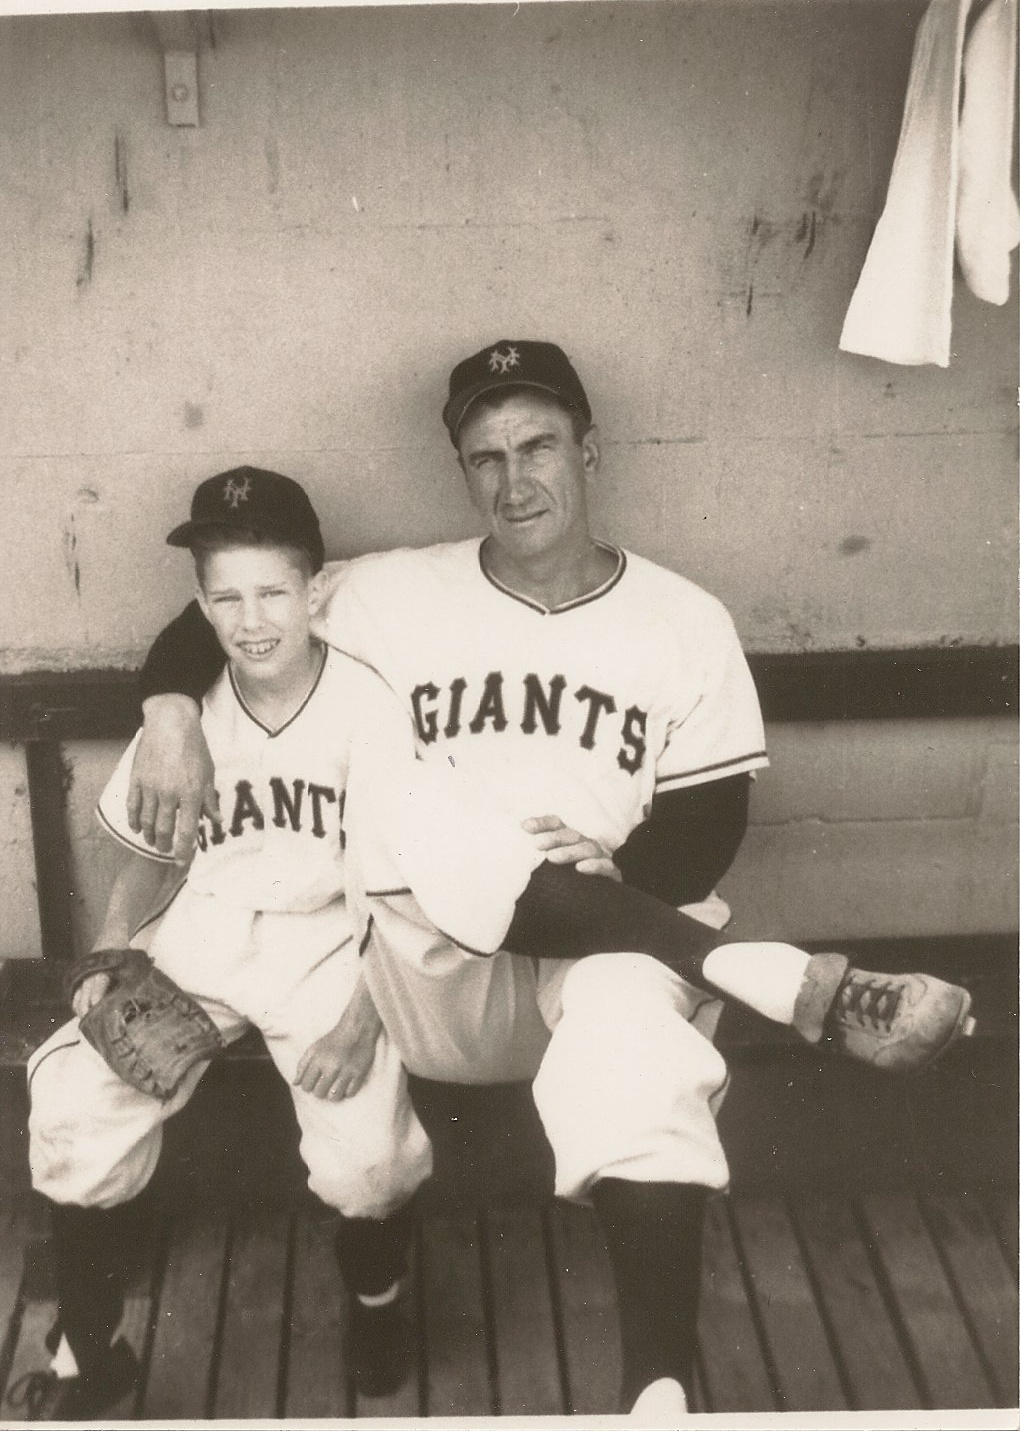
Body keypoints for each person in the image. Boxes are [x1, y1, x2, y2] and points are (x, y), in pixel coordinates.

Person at [120, 343, 974, 1419]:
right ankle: (777, 977)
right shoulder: (391, 591)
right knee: (418, 805)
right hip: (432, 979)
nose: (513, 480)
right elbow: (238, 607)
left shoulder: (684, 620)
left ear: (591, 449)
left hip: (605, 937)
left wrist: (622, 869)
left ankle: (656, 1393)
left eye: (538, 447)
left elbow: (712, 820)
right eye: (484, 458)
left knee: (638, 1048)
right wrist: (163, 712)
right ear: (462, 473)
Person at [15, 470, 440, 1420]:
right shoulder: (185, 710)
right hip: (206, 927)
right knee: (79, 1100)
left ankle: (379, 1300)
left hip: (341, 937)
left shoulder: (371, 708)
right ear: (200, 603)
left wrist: (363, 1021)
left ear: (315, 591)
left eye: (273, 592)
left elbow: (408, 895)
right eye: (226, 596)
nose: (251, 620)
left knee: (366, 1161)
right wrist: (114, 948)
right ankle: (91, 1354)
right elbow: (155, 855)